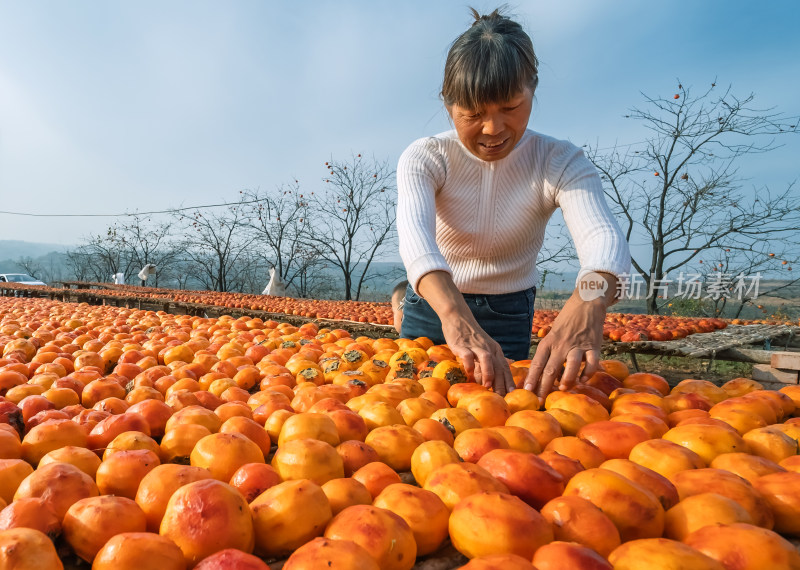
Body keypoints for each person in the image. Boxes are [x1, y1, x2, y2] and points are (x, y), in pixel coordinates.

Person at [396, 8, 630, 398]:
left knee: (498, 417)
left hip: (508, 313)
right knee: (410, 412)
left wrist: (588, 300)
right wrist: (454, 316)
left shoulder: (559, 161)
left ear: (533, 89)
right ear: (448, 104)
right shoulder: (426, 156)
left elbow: (603, 240)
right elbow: (416, 241)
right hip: (433, 307)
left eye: (510, 107)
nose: (493, 129)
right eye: (472, 114)